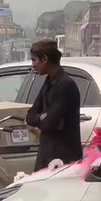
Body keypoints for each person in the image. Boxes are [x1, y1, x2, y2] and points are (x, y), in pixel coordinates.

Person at [25, 40, 82, 170]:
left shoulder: (65, 85)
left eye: (34, 60)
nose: (33, 65)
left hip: (62, 158)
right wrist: (40, 117)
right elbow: (30, 116)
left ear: (44, 59)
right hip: (46, 153)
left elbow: (50, 123)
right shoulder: (48, 82)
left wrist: (44, 119)